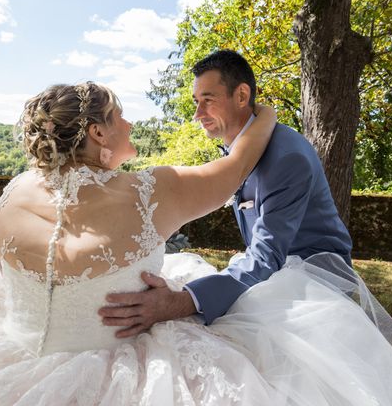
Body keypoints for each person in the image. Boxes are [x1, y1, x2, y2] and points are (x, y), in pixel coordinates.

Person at [0, 81, 392, 405]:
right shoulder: (150, 192)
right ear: (96, 132)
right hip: (126, 371)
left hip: (5, 354)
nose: (131, 124)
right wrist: (261, 111)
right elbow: (237, 166)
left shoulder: (13, 193)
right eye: (120, 117)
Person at [100, 49, 353, 328]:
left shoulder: (285, 158)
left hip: (312, 287)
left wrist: (181, 302)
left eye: (208, 101)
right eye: (197, 102)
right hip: (272, 273)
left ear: (242, 96)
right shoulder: (240, 150)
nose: (198, 114)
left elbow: (267, 257)